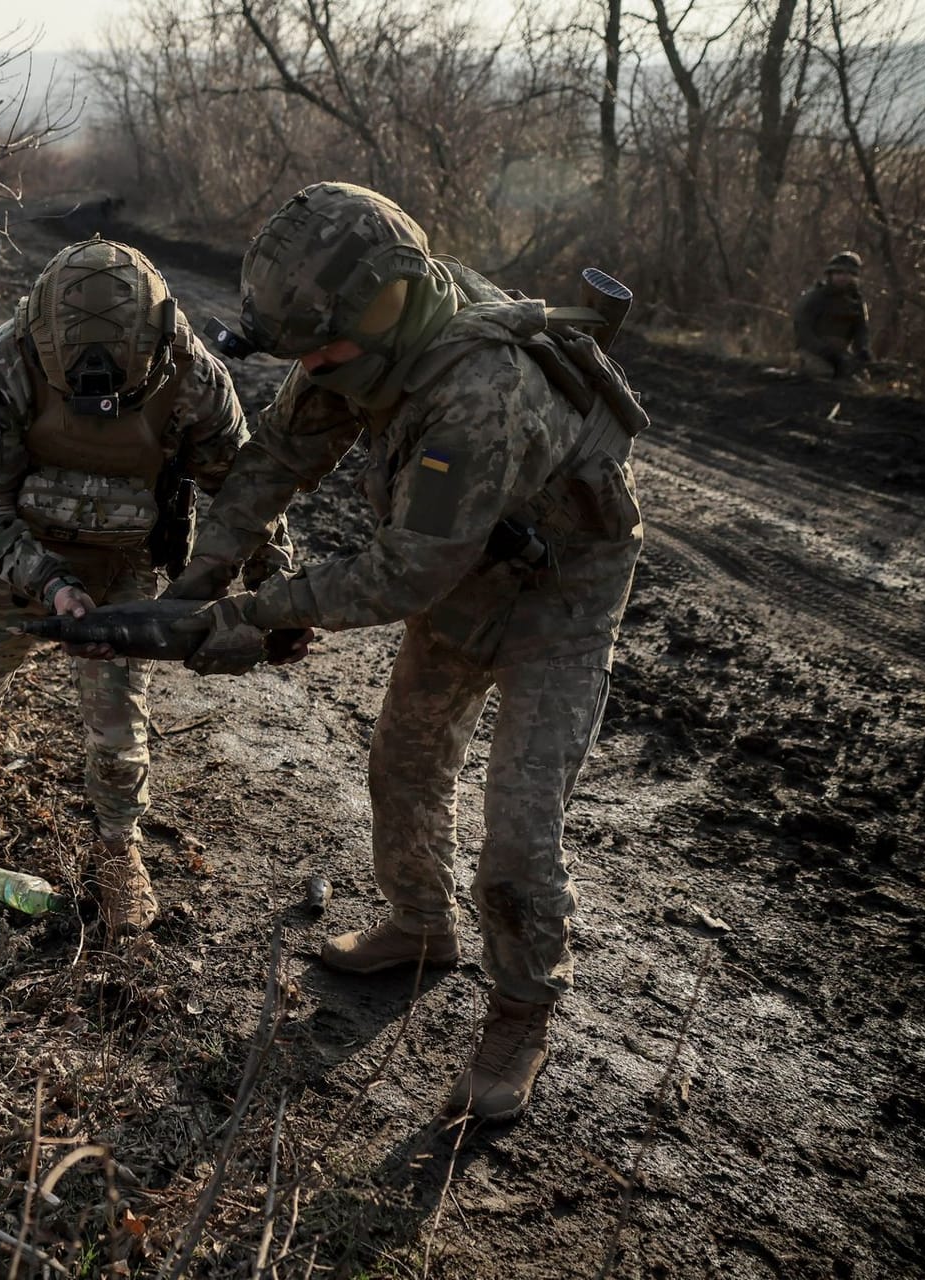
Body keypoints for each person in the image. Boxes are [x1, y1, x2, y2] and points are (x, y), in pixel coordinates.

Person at [169, 183, 646, 1121]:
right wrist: (200, 576)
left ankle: (519, 1011)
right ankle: (421, 928)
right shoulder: (362, 336)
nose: (314, 365)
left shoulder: (480, 392)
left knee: (520, 824)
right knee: (407, 759)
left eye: (322, 348)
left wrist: (247, 616)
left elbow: (401, 575)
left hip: (563, 594)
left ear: (383, 306)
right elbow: (277, 457)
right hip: (471, 561)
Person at [0, 238, 289, 935]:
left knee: (119, 732)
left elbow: (243, 493)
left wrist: (278, 589)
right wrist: (48, 582)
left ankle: (119, 851)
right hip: (12, 557)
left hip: (124, 563)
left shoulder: (192, 376)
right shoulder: (3, 364)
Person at [792, 251, 872, 379]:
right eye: (838, 273)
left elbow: (861, 330)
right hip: (812, 352)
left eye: (848, 274)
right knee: (822, 374)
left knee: (859, 379)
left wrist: (862, 350)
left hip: (841, 353)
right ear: (830, 275)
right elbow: (803, 331)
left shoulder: (856, 301)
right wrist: (824, 351)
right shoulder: (816, 298)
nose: (843, 277)